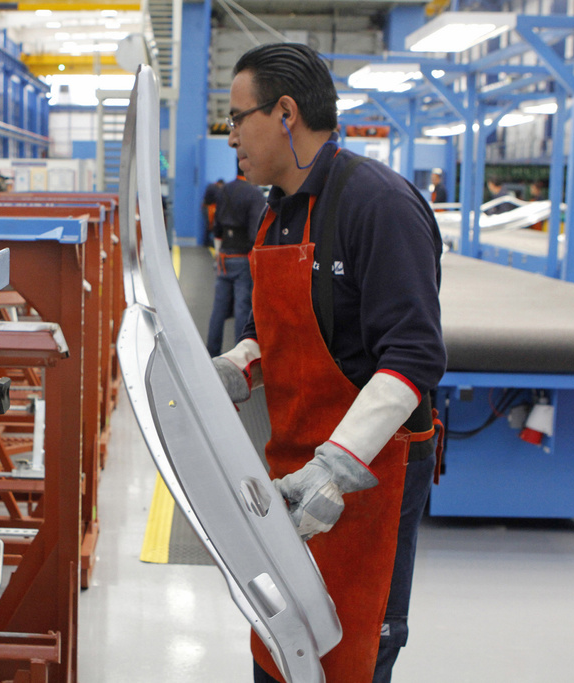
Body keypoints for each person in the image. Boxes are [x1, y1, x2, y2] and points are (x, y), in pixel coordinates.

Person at [213, 43, 446, 683]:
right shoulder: (276, 212)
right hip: (290, 468)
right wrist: (234, 366)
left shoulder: (377, 204)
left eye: (237, 119)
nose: (230, 136)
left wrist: (337, 469)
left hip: (367, 477)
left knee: (350, 651)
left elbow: (414, 354)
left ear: (285, 113)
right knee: (281, 642)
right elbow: (275, 330)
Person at [205, 165, 265, 357]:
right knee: (242, 309)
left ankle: (211, 353)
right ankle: (240, 357)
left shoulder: (224, 190)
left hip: (224, 256)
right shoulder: (255, 194)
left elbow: (216, 226)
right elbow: (255, 232)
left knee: (218, 310)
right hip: (243, 258)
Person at [202, 178, 225, 247]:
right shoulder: (214, 188)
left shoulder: (211, 186)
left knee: (209, 225)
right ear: (219, 184)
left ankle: (207, 242)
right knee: (210, 225)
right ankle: (207, 242)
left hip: (208, 207)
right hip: (209, 208)